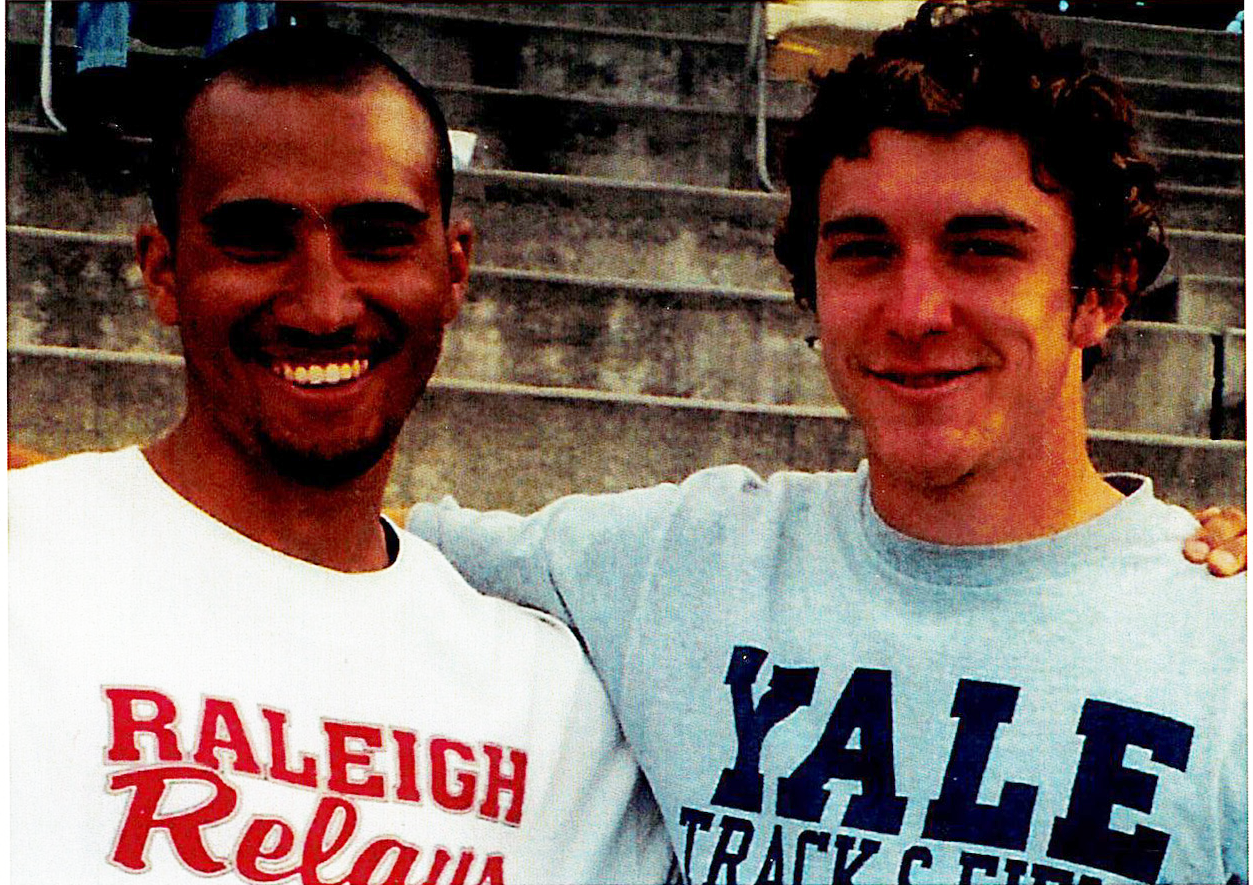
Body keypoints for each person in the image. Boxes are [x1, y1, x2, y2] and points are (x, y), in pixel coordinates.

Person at [407, 5, 1246, 882]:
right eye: (863, 250)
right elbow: (355, 538)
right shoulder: (678, 563)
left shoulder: (1225, 644)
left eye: (982, 250)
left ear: (1100, 294)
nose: (916, 313)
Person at [8, 26, 673, 884]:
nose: (323, 305)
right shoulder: (22, 563)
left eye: (379, 236)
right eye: (255, 237)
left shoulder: (557, 714)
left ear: (454, 268)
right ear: (164, 271)